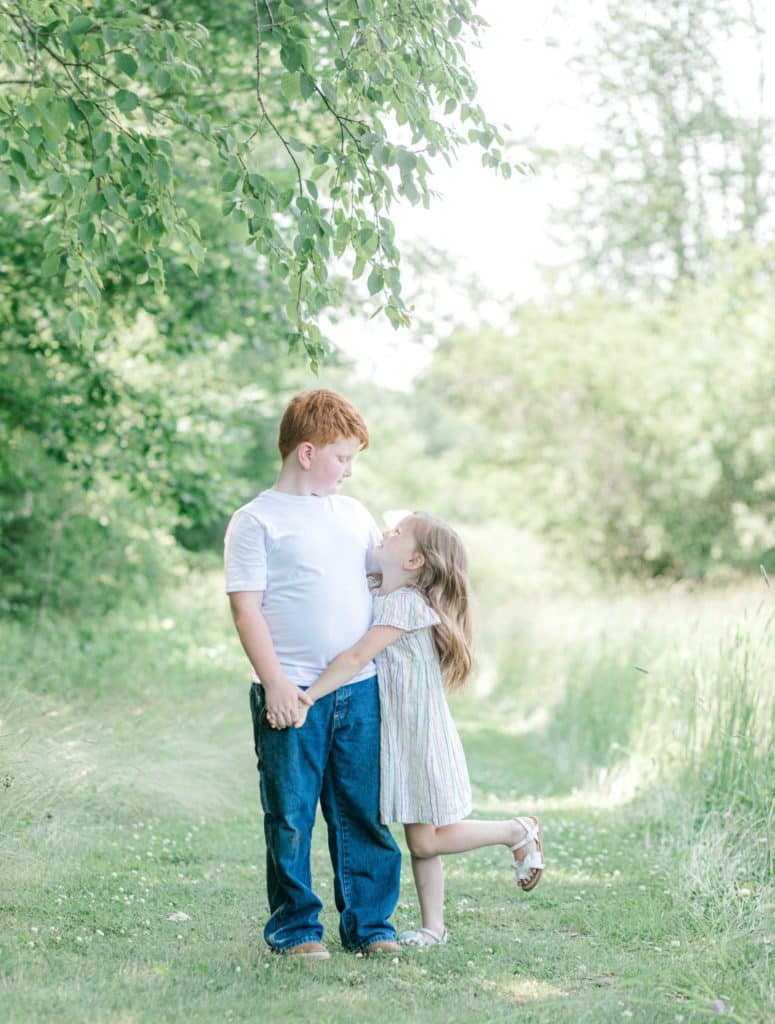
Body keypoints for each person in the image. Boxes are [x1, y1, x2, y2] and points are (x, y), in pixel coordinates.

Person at [282, 512, 545, 948]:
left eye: (398, 533)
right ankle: (433, 928)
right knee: (422, 838)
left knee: (426, 840)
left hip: (417, 735)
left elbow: (354, 658)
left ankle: (515, 831)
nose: (387, 533)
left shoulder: (405, 604)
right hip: (400, 733)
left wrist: (309, 695)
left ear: (415, 562)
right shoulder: (381, 590)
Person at [224, 388, 402, 959]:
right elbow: (246, 607)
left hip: (357, 688)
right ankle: (297, 928)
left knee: (362, 812)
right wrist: (275, 682)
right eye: (342, 458)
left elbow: (385, 576)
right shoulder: (255, 522)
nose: (349, 472)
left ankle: (371, 926)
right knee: (291, 815)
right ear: (307, 453)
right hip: (293, 692)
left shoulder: (352, 515)